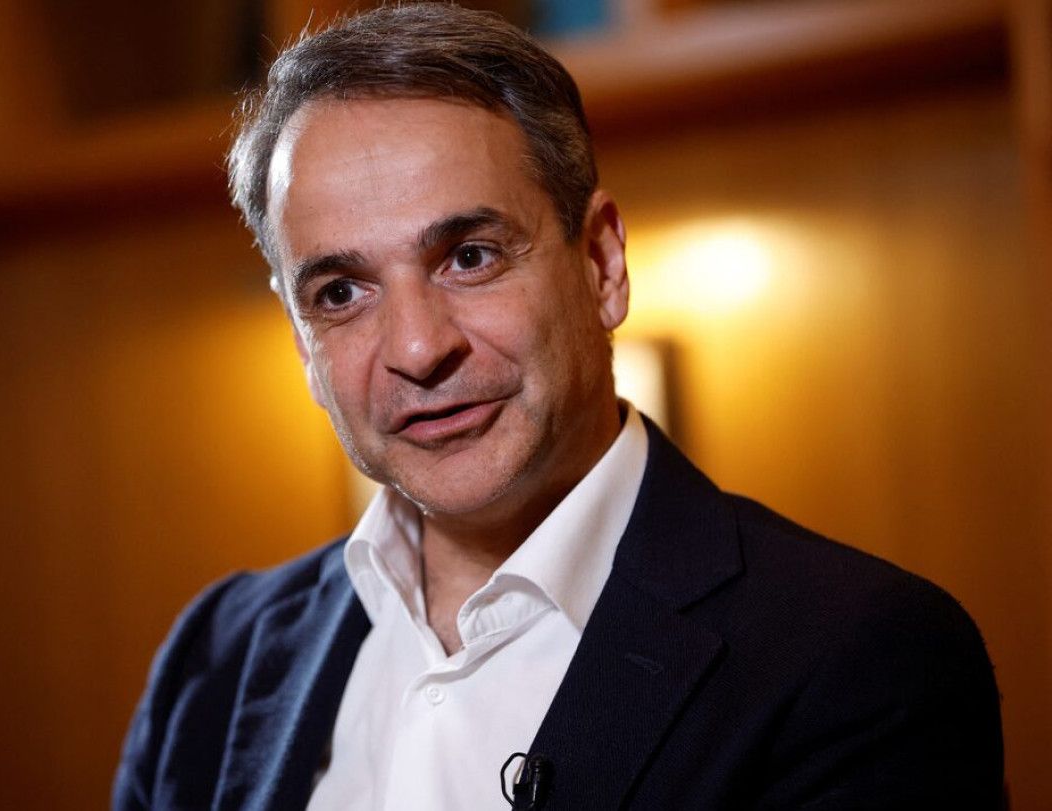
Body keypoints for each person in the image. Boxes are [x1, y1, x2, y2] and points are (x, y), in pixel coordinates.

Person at [113, 4, 1003, 809]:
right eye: (341, 292)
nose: (418, 349)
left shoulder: (856, 657)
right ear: (304, 342)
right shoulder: (213, 659)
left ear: (602, 264)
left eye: (470, 256)